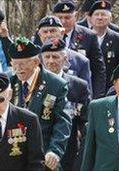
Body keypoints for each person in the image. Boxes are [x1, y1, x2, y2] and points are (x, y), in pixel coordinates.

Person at [8, 37, 71, 171]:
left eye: (23, 64)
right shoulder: (8, 82)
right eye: (15, 64)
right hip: (13, 152)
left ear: (36, 62)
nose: (18, 69)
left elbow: (63, 122)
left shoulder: (55, 85)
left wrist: (55, 151)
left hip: (42, 155)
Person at [41, 38, 91, 170]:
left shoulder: (78, 86)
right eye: (47, 57)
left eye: (55, 56)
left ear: (65, 58)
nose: (51, 61)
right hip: (39, 151)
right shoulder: (34, 85)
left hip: (67, 151)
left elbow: (86, 122)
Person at [53, 0, 106, 99]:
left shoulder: (89, 36)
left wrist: (96, 98)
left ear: (75, 16)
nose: (63, 21)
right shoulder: (46, 34)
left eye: (67, 17)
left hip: (78, 93)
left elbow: (98, 70)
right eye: (60, 18)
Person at [36, 15, 92, 91]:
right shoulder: (33, 60)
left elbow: (85, 94)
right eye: (45, 32)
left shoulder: (80, 61)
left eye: (53, 31)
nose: (48, 35)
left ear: (62, 33)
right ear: (39, 35)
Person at [89, 0, 119, 91]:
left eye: (103, 15)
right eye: (96, 14)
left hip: (108, 88)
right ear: (90, 18)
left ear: (110, 19)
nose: (100, 18)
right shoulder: (82, 37)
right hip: (85, 86)